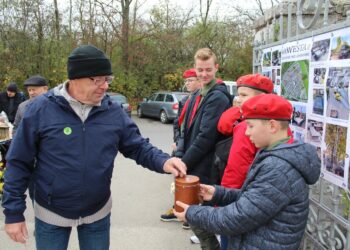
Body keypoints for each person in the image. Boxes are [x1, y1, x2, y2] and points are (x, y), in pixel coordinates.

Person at [2, 45, 186, 250]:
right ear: (74, 79)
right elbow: (18, 162)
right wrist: (13, 213)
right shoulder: (41, 109)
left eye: (107, 79)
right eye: (97, 79)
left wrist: (164, 160)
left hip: (97, 213)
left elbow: (137, 146)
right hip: (51, 213)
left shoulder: (112, 112)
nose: (105, 86)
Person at [174, 94, 321, 250]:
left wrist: (192, 213)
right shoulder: (274, 155)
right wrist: (218, 194)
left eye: (250, 126)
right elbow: (256, 201)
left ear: (272, 126)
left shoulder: (278, 168)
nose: (246, 132)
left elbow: (239, 217)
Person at [178, 48, 231, 248]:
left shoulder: (217, 96)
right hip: (196, 162)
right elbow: (186, 129)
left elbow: (206, 138)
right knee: (196, 216)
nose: (204, 74)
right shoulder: (199, 93)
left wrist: (183, 163)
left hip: (206, 165)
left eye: (208, 69)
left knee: (200, 215)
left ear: (216, 67)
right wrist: (180, 154)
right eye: (200, 70)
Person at [160, 68, 201, 229]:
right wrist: (177, 140)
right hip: (181, 145)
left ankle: (189, 214)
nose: (187, 84)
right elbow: (178, 124)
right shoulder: (185, 101)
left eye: (190, 80)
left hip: (193, 146)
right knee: (178, 176)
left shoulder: (203, 99)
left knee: (192, 179)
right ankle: (178, 208)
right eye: (186, 81)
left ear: (198, 80)